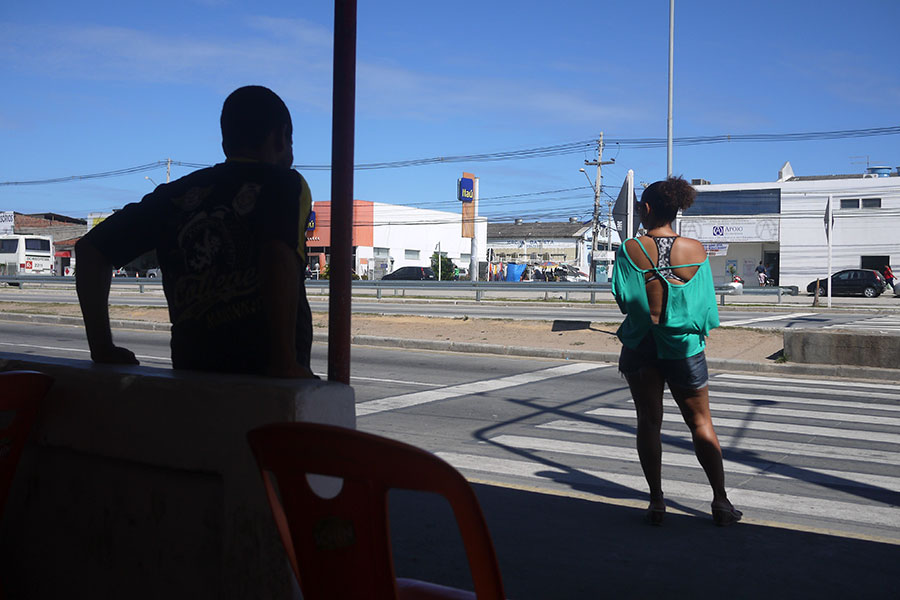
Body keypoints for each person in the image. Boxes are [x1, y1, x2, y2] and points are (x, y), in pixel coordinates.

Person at [76, 85, 314, 378]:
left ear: (226, 141)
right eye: (291, 142)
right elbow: (278, 257)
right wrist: (284, 361)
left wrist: (101, 348)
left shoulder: (175, 195)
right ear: (280, 137)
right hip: (267, 383)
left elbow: (90, 251)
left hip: (191, 376)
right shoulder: (284, 183)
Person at [611, 177, 741, 526]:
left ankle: (656, 502)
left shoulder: (629, 250)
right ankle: (720, 502)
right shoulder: (695, 251)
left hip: (641, 346)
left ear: (647, 209)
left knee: (649, 423)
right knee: (701, 423)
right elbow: (704, 307)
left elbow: (625, 301)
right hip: (684, 348)